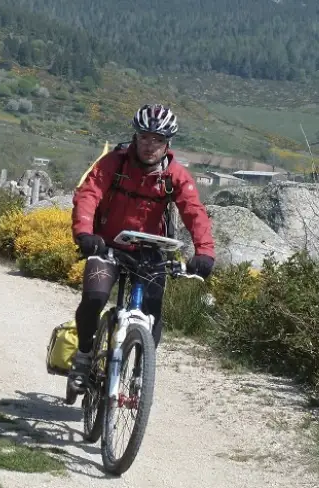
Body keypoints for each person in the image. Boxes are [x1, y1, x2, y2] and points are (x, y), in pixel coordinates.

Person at [69, 103, 215, 388]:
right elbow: (89, 194)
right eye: (145, 137)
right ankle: (84, 355)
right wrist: (85, 233)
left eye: (158, 140)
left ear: (167, 143)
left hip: (150, 251)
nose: (150, 145)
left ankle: (139, 372)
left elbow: (195, 213)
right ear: (135, 136)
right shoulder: (115, 163)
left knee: (152, 311)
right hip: (107, 245)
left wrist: (205, 252)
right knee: (95, 298)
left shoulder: (176, 176)